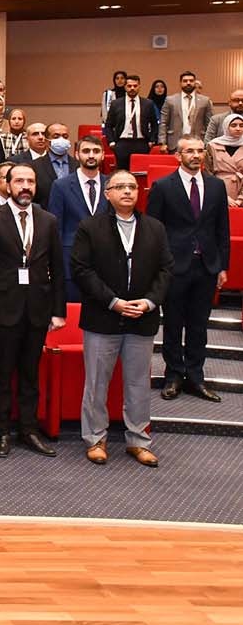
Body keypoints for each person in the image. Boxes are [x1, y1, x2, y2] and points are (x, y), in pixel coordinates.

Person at [71, 170, 172, 469]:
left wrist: (149, 302)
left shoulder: (155, 228)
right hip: (102, 317)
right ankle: (95, 439)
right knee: (96, 383)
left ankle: (138, 441)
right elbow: (81, 270)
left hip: (142, 317)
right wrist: (113, 302)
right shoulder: (90, 227)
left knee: (139, 383)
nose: (127, 191)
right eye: (120, 187)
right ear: (107, 193)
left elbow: (166, 269)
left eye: (132, 187)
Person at [0, 163, 67, 459]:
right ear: (7, 185)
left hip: (38, 309)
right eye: (19, 181)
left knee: (30, 374)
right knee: (2, 374)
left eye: (30, 181)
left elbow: (57, 268)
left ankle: (29, 430)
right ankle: (1, 432)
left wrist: (58, 311)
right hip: (3, 310)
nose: (25, 186)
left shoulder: (48, 220)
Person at [147, 136, 230, 403]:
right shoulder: (162, 186)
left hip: (206, 265)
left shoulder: (216, 186)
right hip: (174, 266)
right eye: (189, 151)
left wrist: (223, 266)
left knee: (199, 325)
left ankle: (195, 376)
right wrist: (157, 267)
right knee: (173, 323)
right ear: (178, 156)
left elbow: (222, 229)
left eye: (199, 151)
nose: (196, 155)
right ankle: (173, 375)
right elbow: (153, 230)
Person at [48, 135, 108, 301]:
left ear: (103, 155)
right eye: (86, 151)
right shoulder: (61, 186)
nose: (91, 155)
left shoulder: (111, 184)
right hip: (71, 259)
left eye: (96, 151)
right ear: (76, 154)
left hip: (105, 261)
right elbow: (55, 228)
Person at [103, 73, 158, 171]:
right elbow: (108, 125)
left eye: (135, 86)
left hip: (142, 143)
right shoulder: (116, 104)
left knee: (140, 172)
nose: (132, 88)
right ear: (125, 87)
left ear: (139, 86)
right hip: (122, 143)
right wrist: (111, 142)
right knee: (122, 173)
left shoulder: (147, 103)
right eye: (129, 86)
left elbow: (154, 124)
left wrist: (152, 141)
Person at [159, 70, 214, 152]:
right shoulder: (170, 100)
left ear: (195, 82)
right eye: (185, 81)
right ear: (180, 83)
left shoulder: (205, 100)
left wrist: (208, 142)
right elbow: (163, 122)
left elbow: (210, 124)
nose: (188, 83)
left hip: (198, 142)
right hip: (175, 142)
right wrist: (162, 142)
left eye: (191, 81)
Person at [206, 113, 243, 205]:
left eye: (241, 126)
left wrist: (241, 199)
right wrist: (222, 195)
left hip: (240, 188)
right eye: (234, 125)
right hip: (219, 188)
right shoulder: (213, 145)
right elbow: (208, 173)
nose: (238, 128)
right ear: (226, 127)